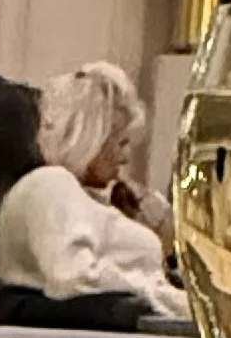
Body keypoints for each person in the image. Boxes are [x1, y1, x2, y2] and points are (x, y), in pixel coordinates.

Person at [0, 75, 186, 323]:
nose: (60, 128)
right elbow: (74, 278)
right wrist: (173, 303)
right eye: (49, 124)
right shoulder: (47, 184)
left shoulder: (9, 208)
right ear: (30, 137)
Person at [40, 62, 171, 238]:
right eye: (121, 143)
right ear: (88, 140)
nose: (125, 158)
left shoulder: (127, 201)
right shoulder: (49, 209)